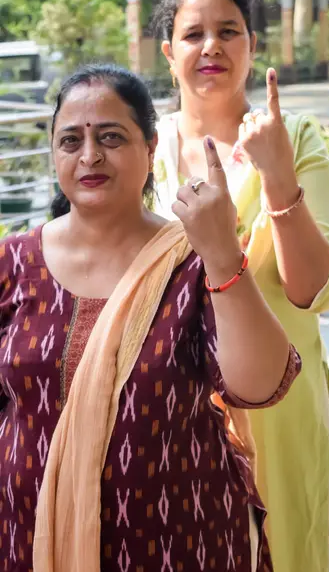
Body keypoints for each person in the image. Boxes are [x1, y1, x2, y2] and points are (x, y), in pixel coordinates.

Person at [0, 63, 301, 572]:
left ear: (150, 146)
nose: (90, 155)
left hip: (177, 540)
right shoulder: (13, 263)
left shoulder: (191, 259)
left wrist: (224, 254)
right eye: (70, 140)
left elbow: (262, 386)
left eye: (111, 136)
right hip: (29, 537)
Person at [152, 0, 329, 571]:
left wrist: (277, 178)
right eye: (193, 33)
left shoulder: (292, 139)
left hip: (277, 406)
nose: (210, 46)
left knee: (282, 549)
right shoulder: (143, 150)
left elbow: (314, 290)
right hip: (171, 404)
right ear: (169, 52)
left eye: (228, 31)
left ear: (252, 45)